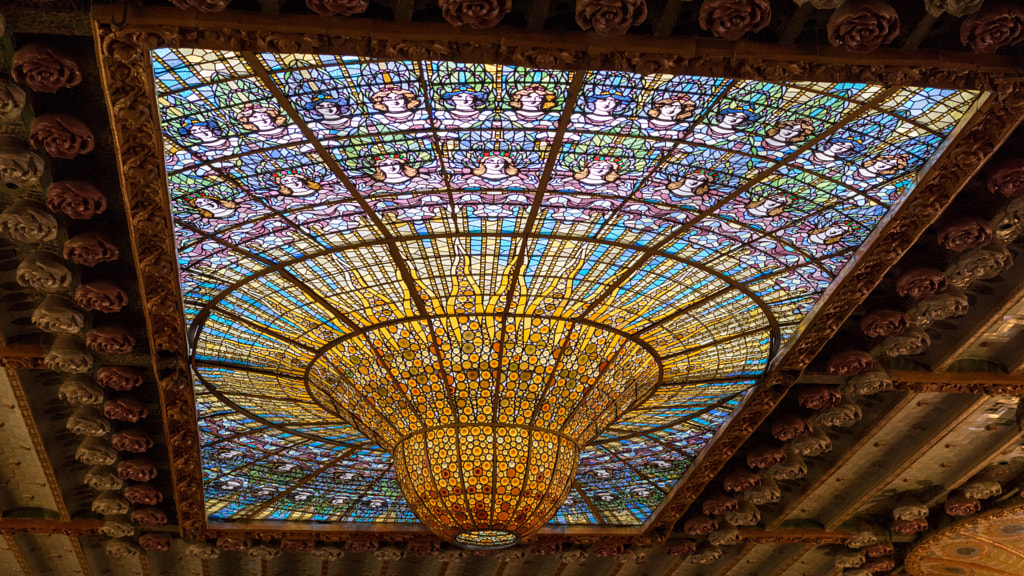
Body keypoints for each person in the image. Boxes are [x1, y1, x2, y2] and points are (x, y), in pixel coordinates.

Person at [365, 86, 434, 131]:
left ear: (406, 99)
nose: (395, 101)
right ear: (382, 101)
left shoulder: (421, 114)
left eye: (399, 98)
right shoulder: (379, 118)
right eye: (388, 99)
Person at [235, 104, 305, 144]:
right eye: (255, 117)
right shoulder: (258, 138)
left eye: (264, 115)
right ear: (248, 121)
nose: (262, 118)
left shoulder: (293, 128)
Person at [690, 108, 759, 147]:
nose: (735, 118)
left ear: (744, 121)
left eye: (741, 117)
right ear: (725, 114)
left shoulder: (739, 136)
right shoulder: (701, 127)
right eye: (732, 114)